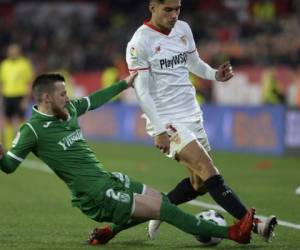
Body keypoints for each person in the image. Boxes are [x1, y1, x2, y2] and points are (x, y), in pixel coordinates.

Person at [0, 73, 255, 246]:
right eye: (62, 94)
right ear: (46, 98)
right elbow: (10, 166)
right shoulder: (31, 131)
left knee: (161, 200)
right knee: (164, 210)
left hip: (108, 179)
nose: (68, 98)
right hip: (94, 196)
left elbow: (95, 99)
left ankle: (110, 231)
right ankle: (233, 233)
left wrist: (125, 83)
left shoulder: (70, 110)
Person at [125, 0, 277, 243]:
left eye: (178, 9)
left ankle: (162, 209)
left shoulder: (183, 29)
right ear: (152, 7)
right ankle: (254, 224)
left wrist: (215, 74)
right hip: (166, 119)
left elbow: (193, 63)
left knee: (199, 184)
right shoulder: (139, 43)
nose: (174, 15)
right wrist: (160, 130)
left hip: (192, 114)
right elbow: (142, 92)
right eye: (168, 10)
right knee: (209, 170)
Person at [0, 43, 34, 150]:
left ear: (19, 52)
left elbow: (29, 82)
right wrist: (1, 98)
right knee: (7, 120)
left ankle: (21, 145)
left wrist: (26, 99)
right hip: (7, 96)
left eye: (15, 50)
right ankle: (9, 146)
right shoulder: (4, 65)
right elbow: (2, 83)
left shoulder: (25, 64)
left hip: (20, 95)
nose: (13, 52)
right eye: (11, 50)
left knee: (21, 120)